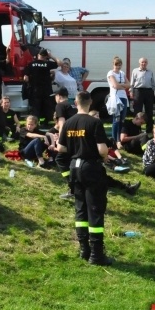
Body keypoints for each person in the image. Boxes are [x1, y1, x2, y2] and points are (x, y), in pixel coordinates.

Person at [57, 91, 113, 266]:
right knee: (95, 209)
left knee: (80, 209)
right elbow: (103, 150)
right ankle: (96, 255)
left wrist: (76, 149)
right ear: (90, 103)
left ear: (76, 103)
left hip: (74, 167)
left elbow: (60, 148)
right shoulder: (94, 122)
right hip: (91, 167)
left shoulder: (68, 123)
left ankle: (83, 250)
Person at [23, 48, 58, 127]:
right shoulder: (47, 64)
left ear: (38, 55)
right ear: (46, 57)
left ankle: (35, 124)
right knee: (47, 107)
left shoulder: (31, 64)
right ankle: (45, 123)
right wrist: (51, 56)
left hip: (35, 90)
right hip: (46, 90)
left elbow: (25, 78)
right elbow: (60, 63)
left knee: (35, 108)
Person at [107, 56, 130, 145]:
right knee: (116, 119)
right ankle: (114, 140)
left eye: (120, 65)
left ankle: (119, 139)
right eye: (116, 65)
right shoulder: (110, 73)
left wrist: (121, 85)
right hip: (115, 98)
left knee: (122, 119)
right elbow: (115, 86)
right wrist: (123, 86)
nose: (118, 67)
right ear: (113, 65)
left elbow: (129, 84)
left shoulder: (122, 73)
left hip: (123, 97)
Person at [130, 57, 155, 130]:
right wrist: (131, 91)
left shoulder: (150, 72)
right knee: (137, 111)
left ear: (147, 63)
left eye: (145, 62)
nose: (143, 64)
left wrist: (152, 91)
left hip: (148, 91)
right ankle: (136, 129)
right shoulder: (135, 71)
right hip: (138, 91)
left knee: (149, 111)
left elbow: (153, 83)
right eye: (142, 62)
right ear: (139, 63)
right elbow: (132, 83)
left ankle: (149, 129)